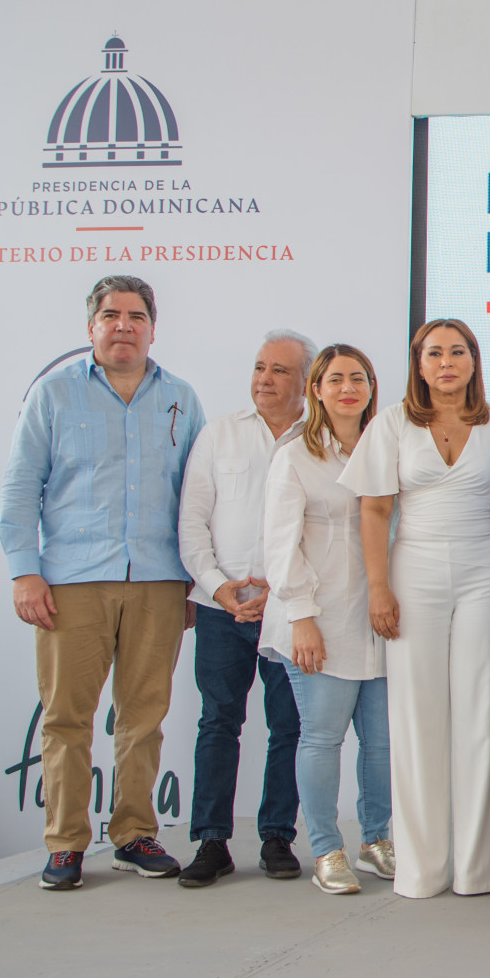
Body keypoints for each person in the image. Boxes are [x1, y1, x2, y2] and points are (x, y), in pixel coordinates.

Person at [0, 275, 205, 890]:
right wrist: (24, 571)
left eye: (136, 316)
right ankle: (65, 843)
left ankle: (134, 834)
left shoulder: (181, 397)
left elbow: (198, 496)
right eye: (111, 315)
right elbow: (21, 485)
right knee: (67, 717)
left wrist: (196, 582)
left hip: (160, 580)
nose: (123, 326)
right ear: (91, 326)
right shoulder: (54, 394)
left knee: (144, 715)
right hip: (72, 582)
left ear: (152, 328)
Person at [340, 318, 490, 899]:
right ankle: (422, 870)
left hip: (487, 569)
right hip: (414, 570)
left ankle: (482, 869)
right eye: (434, 353)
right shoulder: (391, 424)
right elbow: (374, 510)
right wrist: (378, 587)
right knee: (416, 714)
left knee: (484, 712)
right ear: (419, 364)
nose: (446, 362)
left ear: (474, 361)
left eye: (457, 352)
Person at [174, 330, 313, 888]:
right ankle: (211, 842)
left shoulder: (323, 437)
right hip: (222, 609)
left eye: (279, 370)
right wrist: (217, 588)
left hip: (291, 610)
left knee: (290, 725)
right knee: (218, 722)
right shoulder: (219, 433)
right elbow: (191, 521)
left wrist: (286, 593)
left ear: (306, 381)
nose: (264, 379)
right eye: (259, 367)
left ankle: (278, 837)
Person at [259, 344, 394, 896]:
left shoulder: (386, 449)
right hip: (319, 621)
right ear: (316, 389)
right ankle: (325, 849)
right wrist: (301, 616)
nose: (347, 388)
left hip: (379, 620)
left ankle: (376, 841)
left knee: (382, 743)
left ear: (371, 387)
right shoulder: (295, 456)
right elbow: (279, 545)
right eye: (335, 379)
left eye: (358, 378)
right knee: (321, 739)